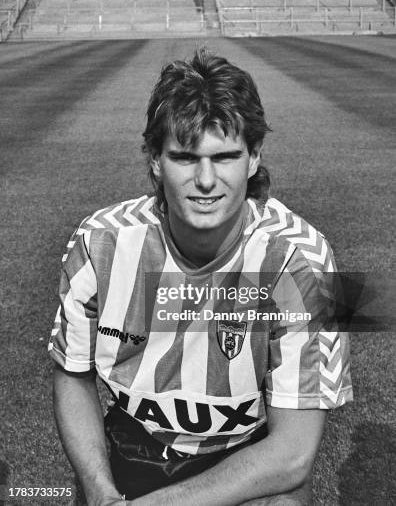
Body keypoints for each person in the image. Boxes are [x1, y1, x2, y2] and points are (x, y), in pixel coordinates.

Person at [49, 48, 353, 505]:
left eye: (225, 156)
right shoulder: (99, 244)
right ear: (155, 160)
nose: (206, 180)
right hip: (131, 449)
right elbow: (71, 374)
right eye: (186, 158)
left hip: (247, 459)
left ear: (253, 158)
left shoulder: (304, 261)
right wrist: (99, 490)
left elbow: (293, 453)